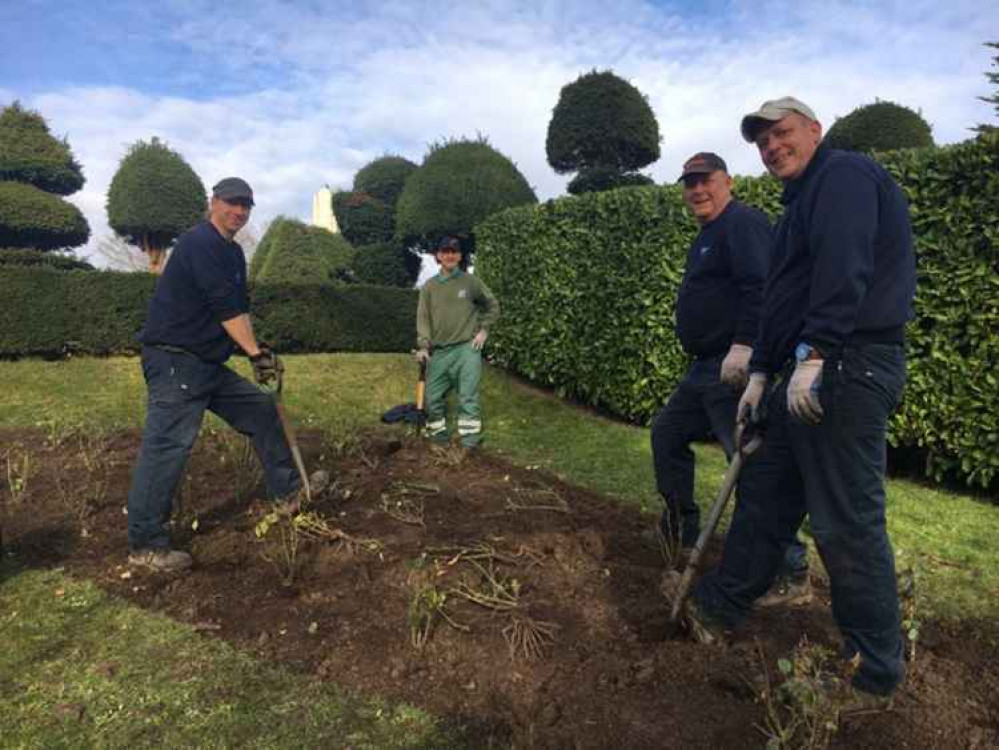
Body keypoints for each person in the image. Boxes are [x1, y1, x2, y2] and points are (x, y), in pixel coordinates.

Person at [684, 97, 917, 707]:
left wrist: (817, 353)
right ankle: (714, 606)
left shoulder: (843, 177)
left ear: (814, 130)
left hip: (850, 363)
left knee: (845, 522)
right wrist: (762, 371)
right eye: (762, 141)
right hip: (805, 367)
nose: (772, 147)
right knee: (765, 497)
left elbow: (846, 266)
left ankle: (872, 676)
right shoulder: (791, 212)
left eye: (782, 133)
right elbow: (782, 299)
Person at [126, 177, 325, 572]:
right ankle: (146, 544)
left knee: (260, 410)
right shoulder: (199, 243)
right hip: (174, 360)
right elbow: (223, 308)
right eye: (232, 203)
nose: (239, 211)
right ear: (212, 202)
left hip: (206, 363)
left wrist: (258, 349)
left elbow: (239, 309)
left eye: (246, 206)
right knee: (168, 447)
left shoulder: (232, 253)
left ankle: (288, 492)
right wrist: (252, 353)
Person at [651, 152, 810, 595]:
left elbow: (763, 287)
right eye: (690, 183)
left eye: (706, 181)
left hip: (732, 368)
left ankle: (789, 568)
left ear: (729, 182)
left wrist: (745, 348)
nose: (697, 190)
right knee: (667, 434)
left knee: (753, 465)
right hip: (703, 369)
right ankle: (679, 531)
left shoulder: (742, 224)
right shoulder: (709, 233)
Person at [416, 236, 500, 449]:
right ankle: (439, 439)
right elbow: (423, 318)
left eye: (454, 251)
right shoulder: (429, 287)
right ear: (438, 256)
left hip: (466, 349)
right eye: (445, 251)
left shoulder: (470, 282)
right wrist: (424, 345)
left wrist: (484, 330)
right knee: (433, 398)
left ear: (460, 256)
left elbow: (492, 305)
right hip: (440, 352)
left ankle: (470, 444)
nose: (450, 255)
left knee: (467, 397)